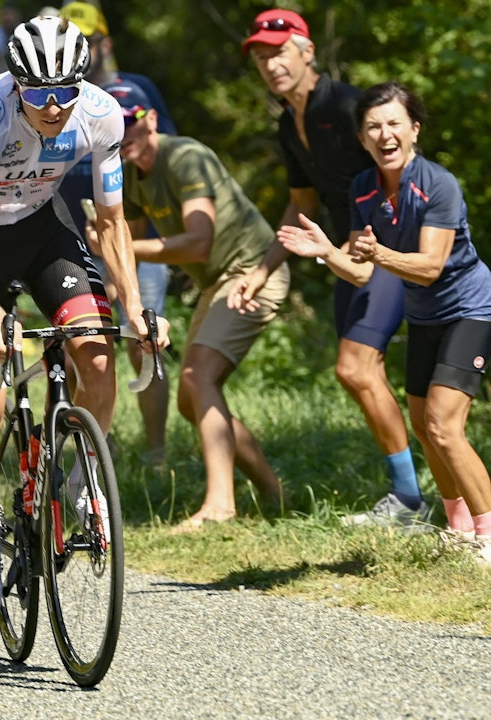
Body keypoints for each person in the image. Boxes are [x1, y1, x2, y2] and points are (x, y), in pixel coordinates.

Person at [0, 16, 168, 614]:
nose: (55, 106)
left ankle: (82, 484)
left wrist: (135, 307)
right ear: (15, 86)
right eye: (39, 94)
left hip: (42, 233)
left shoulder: (103, 114)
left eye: (66, 91)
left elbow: (112, 224)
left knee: (97, 355)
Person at [276, 81, 491, 562]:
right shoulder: (364, 188)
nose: (384, 134)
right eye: (373, 127)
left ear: (414, 130)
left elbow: (430, 265)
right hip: (425, 315)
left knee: (442, 424)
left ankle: (487, 533)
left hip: (470, 309)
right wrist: (328, 252)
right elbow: (361, 270)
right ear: (361, 139)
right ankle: (457, 527)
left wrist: (380, 253)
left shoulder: (438, 184)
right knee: (421, 424)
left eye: (394, 123)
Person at [233, 9, 431, 529]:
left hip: (386, 249)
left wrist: (384, 237)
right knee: (367, 375)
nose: (270, 63)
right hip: (346, 257)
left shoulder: (347, 105)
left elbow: (404, 164)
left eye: (279, 51)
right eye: (260, 56)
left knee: (355, 368)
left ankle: (413, 499)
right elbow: (300, 202)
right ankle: (418, 495)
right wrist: (264, 267)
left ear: (307, 50)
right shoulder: (287, 122)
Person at [117, 82, 290, 531]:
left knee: (197, 377)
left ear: (150, 119)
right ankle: (276, 496)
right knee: (192, 404)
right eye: (112, 127)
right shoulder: (130, 174)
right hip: (218, 282)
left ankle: (220, 506)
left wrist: (122, 244)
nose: (123, 134)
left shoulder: (184, 155)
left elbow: (198, 241)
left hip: (255, 271)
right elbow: (129, 254)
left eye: (130, 122)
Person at [58, 0, 175, 468]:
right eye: (72, 43)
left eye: (86, 41)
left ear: (104, 42)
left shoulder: (136, 89)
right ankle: (88, 444)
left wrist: (165, 232)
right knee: (75, 344)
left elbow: (161, 155)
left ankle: (157, 450)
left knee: (142, 336)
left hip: (133, 231)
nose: (80, 53)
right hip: (73, 233)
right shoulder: (51, 94)